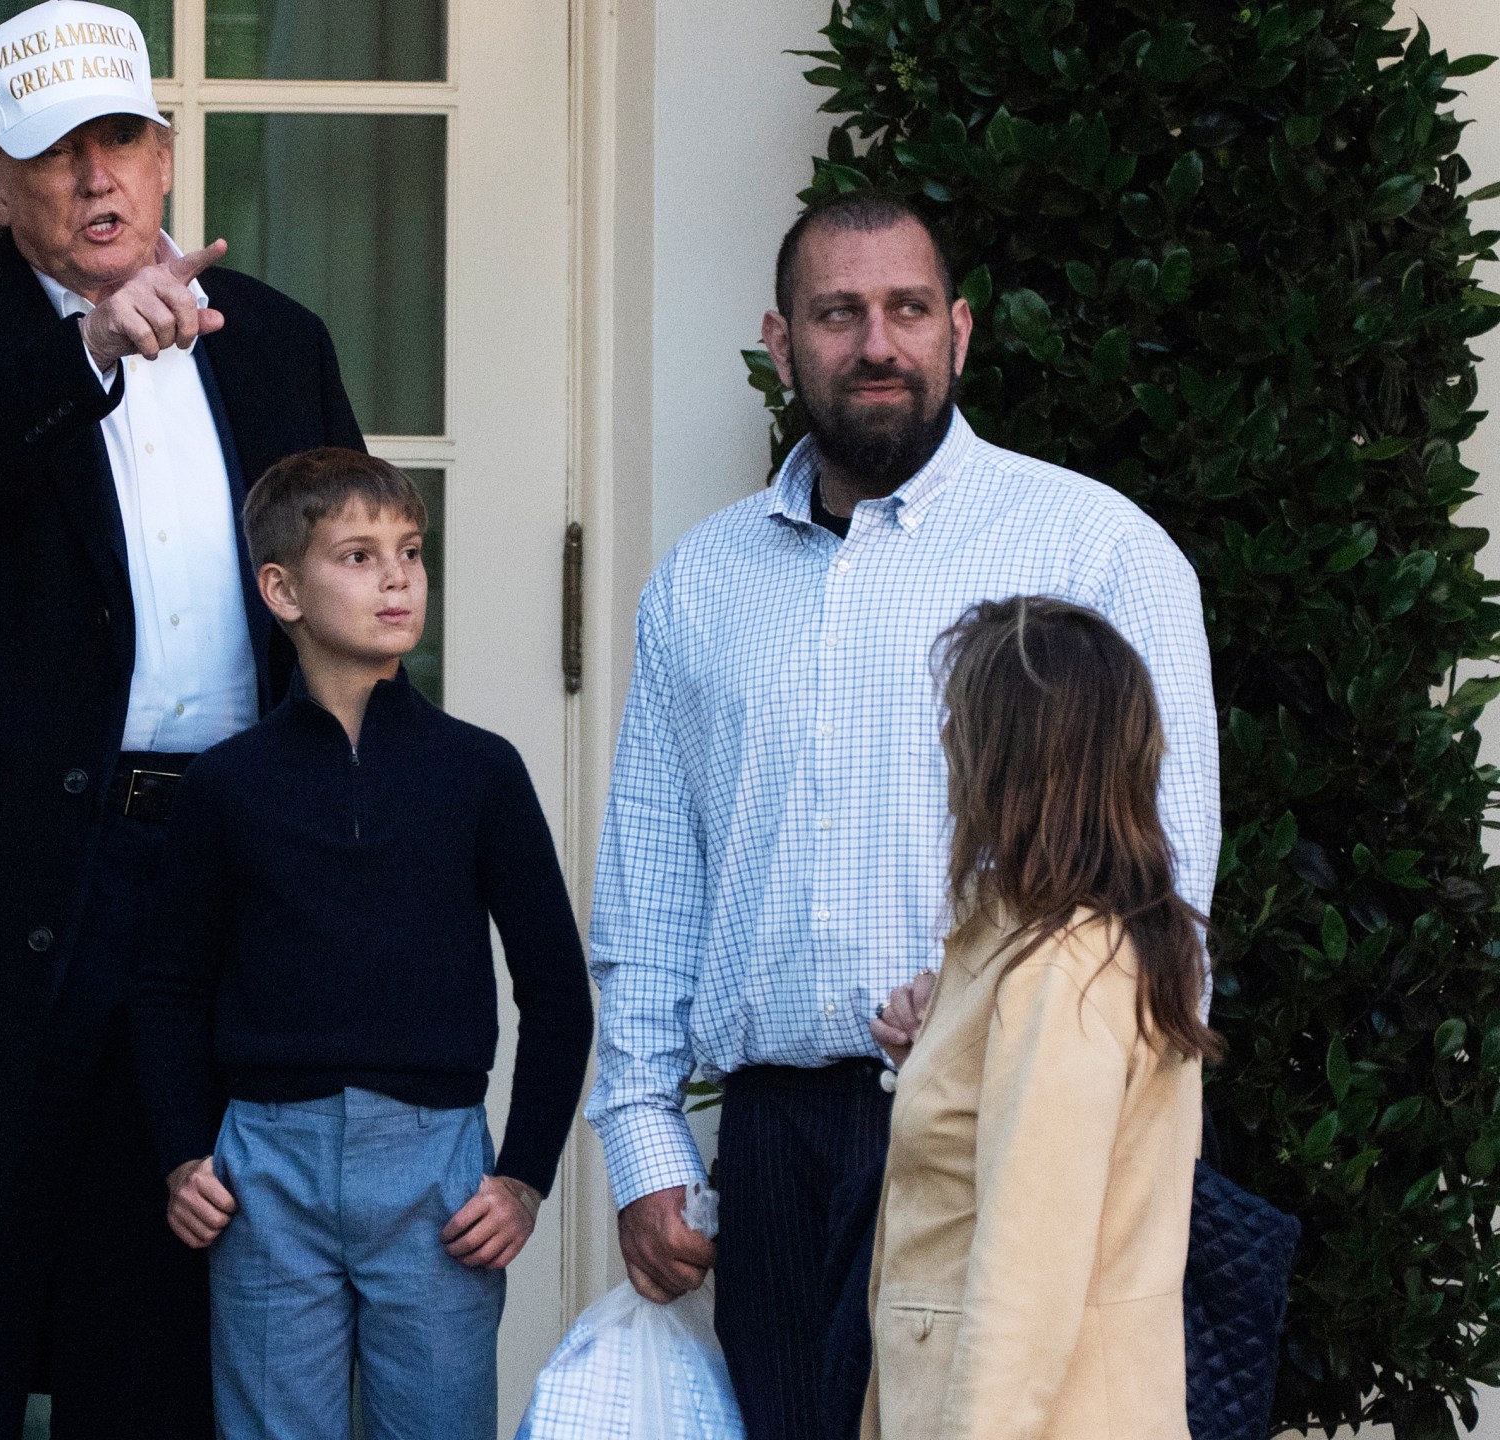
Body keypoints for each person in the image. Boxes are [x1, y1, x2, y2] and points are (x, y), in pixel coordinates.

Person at [584, 188, 1219, 1440]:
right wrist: (644, 1140)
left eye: (907, 310)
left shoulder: (1095, 548)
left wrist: (1007, 1018)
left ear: (959, 330)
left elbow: (1171, 881)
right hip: (773, 1147)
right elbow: (651, 888)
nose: (877, 344)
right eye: (838, 314)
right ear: (781, 342)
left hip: (1004, 1126)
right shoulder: (700, 582)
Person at [0, 3, 365, 1434]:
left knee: (165, 1299)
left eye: (120, 138)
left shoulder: (279, 343)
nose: (95, 176)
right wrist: (81, 357)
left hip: (217, 866)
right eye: (54, 152)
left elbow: (349, 590)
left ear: (168, 155)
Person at [133, 449, 594, 1440]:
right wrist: (181, 1156)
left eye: (411, 552)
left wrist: (523, 1176)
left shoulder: (480, 772)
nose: (398, 578)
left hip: (436, 1173)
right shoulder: (226, 784)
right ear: (282, 591)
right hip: (263, 1170)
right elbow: (167, 986)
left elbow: (557, 989)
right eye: (358, 555)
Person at [860, 597, 1213, 1440]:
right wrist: (935, 1054)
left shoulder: (1065, 964)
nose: (948, 739)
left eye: (966, 720)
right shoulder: (1051, 939)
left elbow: (1029, 1281)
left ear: (1014, 758)